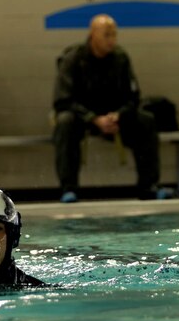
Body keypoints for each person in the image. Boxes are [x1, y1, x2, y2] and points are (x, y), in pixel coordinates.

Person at [52, 14, 169, 203]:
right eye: (107, 35)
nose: (112, 40)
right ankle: (68, 188)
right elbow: (62, 101)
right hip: (83, 118)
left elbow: (133, 97)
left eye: (114, 35)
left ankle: (149, 186)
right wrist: (93, 118)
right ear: (93, 35)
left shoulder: (120, 58)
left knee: (146, 120)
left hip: (114, 117)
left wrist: (118, 116)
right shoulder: (72, 59)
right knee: (65, 122)